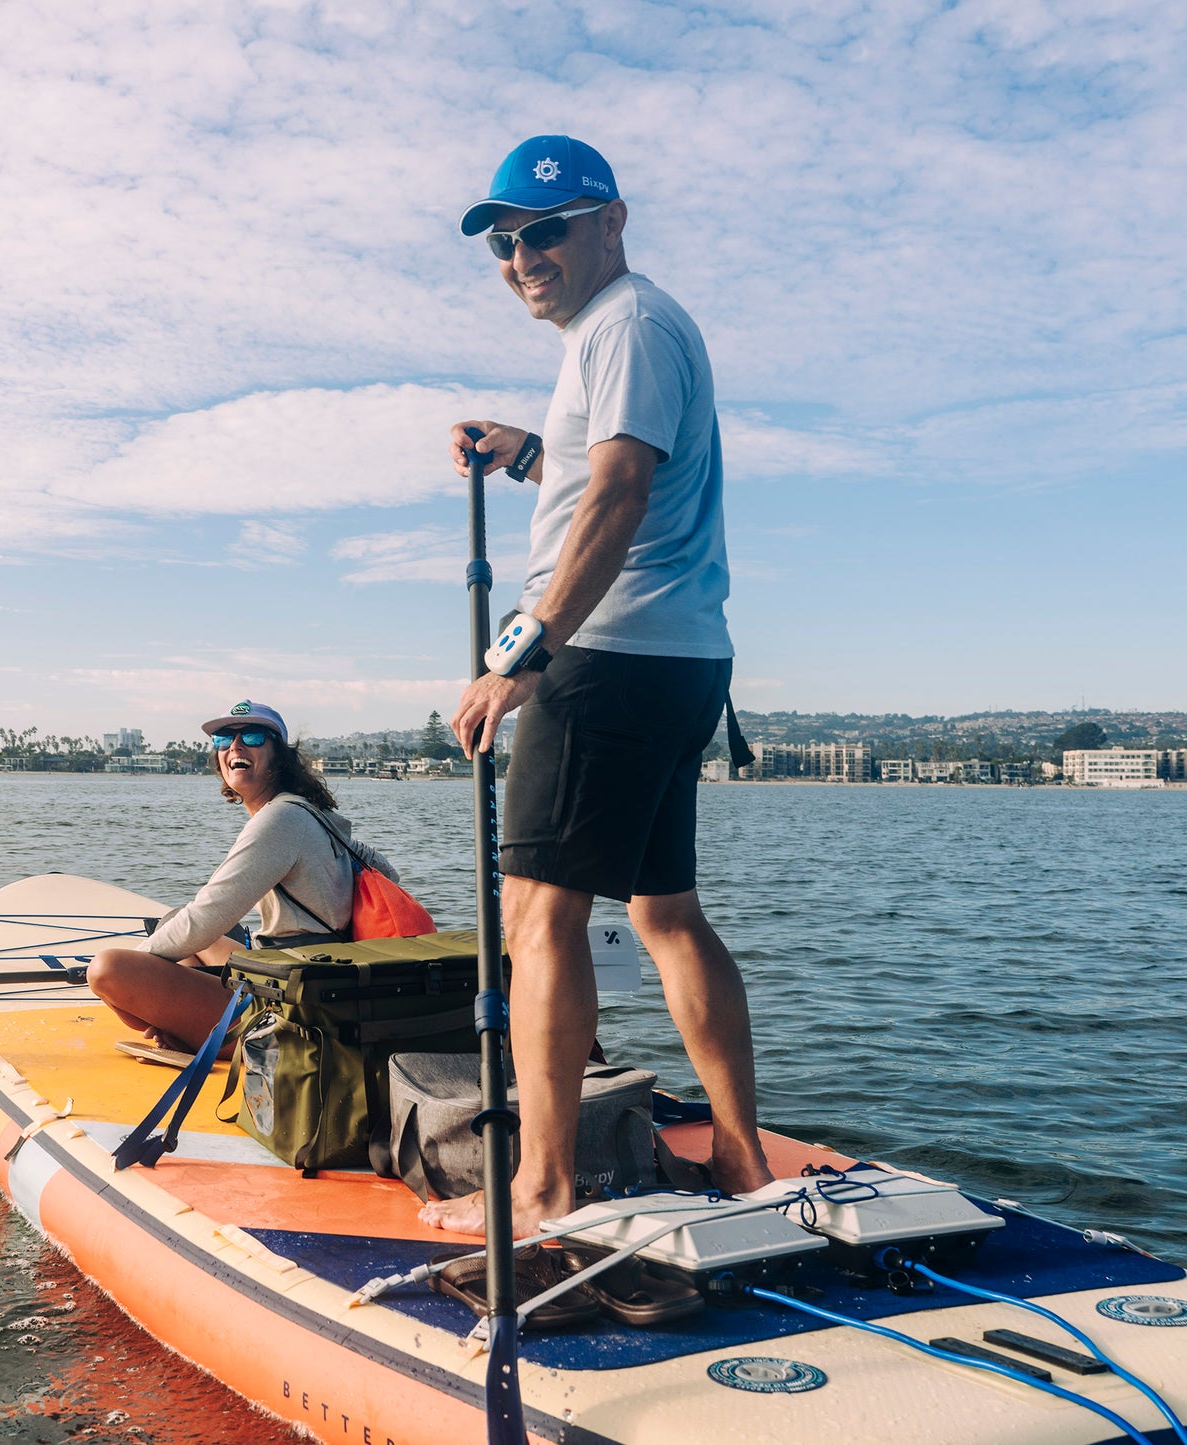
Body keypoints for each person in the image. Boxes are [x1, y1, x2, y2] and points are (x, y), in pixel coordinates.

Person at [420, 135, 773, 1238]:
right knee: (663, 913)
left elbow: (616, 501)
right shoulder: (628, 331)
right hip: (680, 659)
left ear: (609, 220)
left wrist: (518, 651)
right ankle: (741, 1159)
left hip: (607, 660)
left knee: (536, 914)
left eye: (544, 232)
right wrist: (529, 453)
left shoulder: (622, 323)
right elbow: (606, 477)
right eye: (505, 243)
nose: (521, 257)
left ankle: (538, 1186)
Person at [88, 700, 396, 1054]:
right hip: (313, 980)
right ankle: (189, 1026)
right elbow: (388, 872)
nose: (235, 746)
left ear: (279, 757)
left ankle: (217, 1040)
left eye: (251, 736)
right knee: (172, 922)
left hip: (294, 1007)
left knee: (107, 970)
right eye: (224, 739)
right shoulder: (312, 813)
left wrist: (140, 962)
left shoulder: (279, 820)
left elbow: (207, 917)